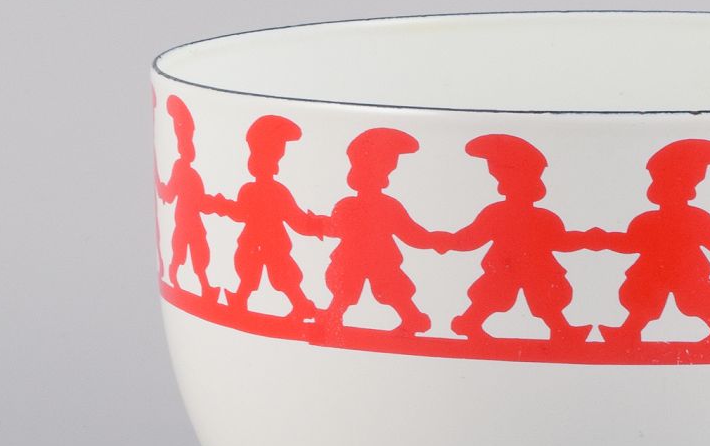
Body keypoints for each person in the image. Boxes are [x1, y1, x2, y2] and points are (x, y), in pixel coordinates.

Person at [437, 134, 596, 343]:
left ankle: (561, 330)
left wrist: (587, 239)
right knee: (494, 295)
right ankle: (470, 322)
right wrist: (448, 241)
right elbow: (472, 237)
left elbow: (561, 241)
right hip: (507, 266)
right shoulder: (498, 213)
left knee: (546, 297)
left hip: (535, 267)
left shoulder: (543, 217)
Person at [591, 139, 710, 345]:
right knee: (645, 298)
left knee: (698, 299)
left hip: (685, 269)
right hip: (656, 270)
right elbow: (630, 243)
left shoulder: (694, 218)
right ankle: (629, 332)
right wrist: (604, 239)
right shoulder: (648, 220)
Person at [318, 127, 439, 334]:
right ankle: (333, 316)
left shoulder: (384, 206)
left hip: (377, 257)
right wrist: (316, 224)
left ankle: (412, 318)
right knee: (346, 286)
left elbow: (411, 233)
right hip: (357, 257)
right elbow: (336, 227)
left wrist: (434, 240)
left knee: (390, 288)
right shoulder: (350, 205)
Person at [211, 115, 323, 319]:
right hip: (259, 242)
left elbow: (295, 219)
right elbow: (242, 213)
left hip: (270, 242)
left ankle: (300, 305)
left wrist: (318, 225)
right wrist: (221, 206)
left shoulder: (272, 192)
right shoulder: (260, 190)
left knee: (282, 275)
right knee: (251, 272)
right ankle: (241, 300)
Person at [155, 94, 220, 301]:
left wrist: (215, 204)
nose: (190, 149)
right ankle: (174, 278)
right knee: (181, 252)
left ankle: (205, 288)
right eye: (187, 144)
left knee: (200, 254)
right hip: (185, 220)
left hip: (193, 221)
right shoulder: (181, 169)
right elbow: (173, 193)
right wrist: (163, 189)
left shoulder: (191, 173)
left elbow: (198, 199)